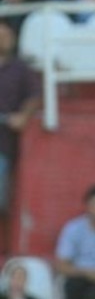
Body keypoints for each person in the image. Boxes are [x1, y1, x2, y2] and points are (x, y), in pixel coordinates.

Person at [0, 21, 38, 214]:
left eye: (8, 36)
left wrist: (23, 116)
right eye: (2, 36)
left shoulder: (19, 68)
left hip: (4, 144)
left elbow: (34, 95)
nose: (6, 40)